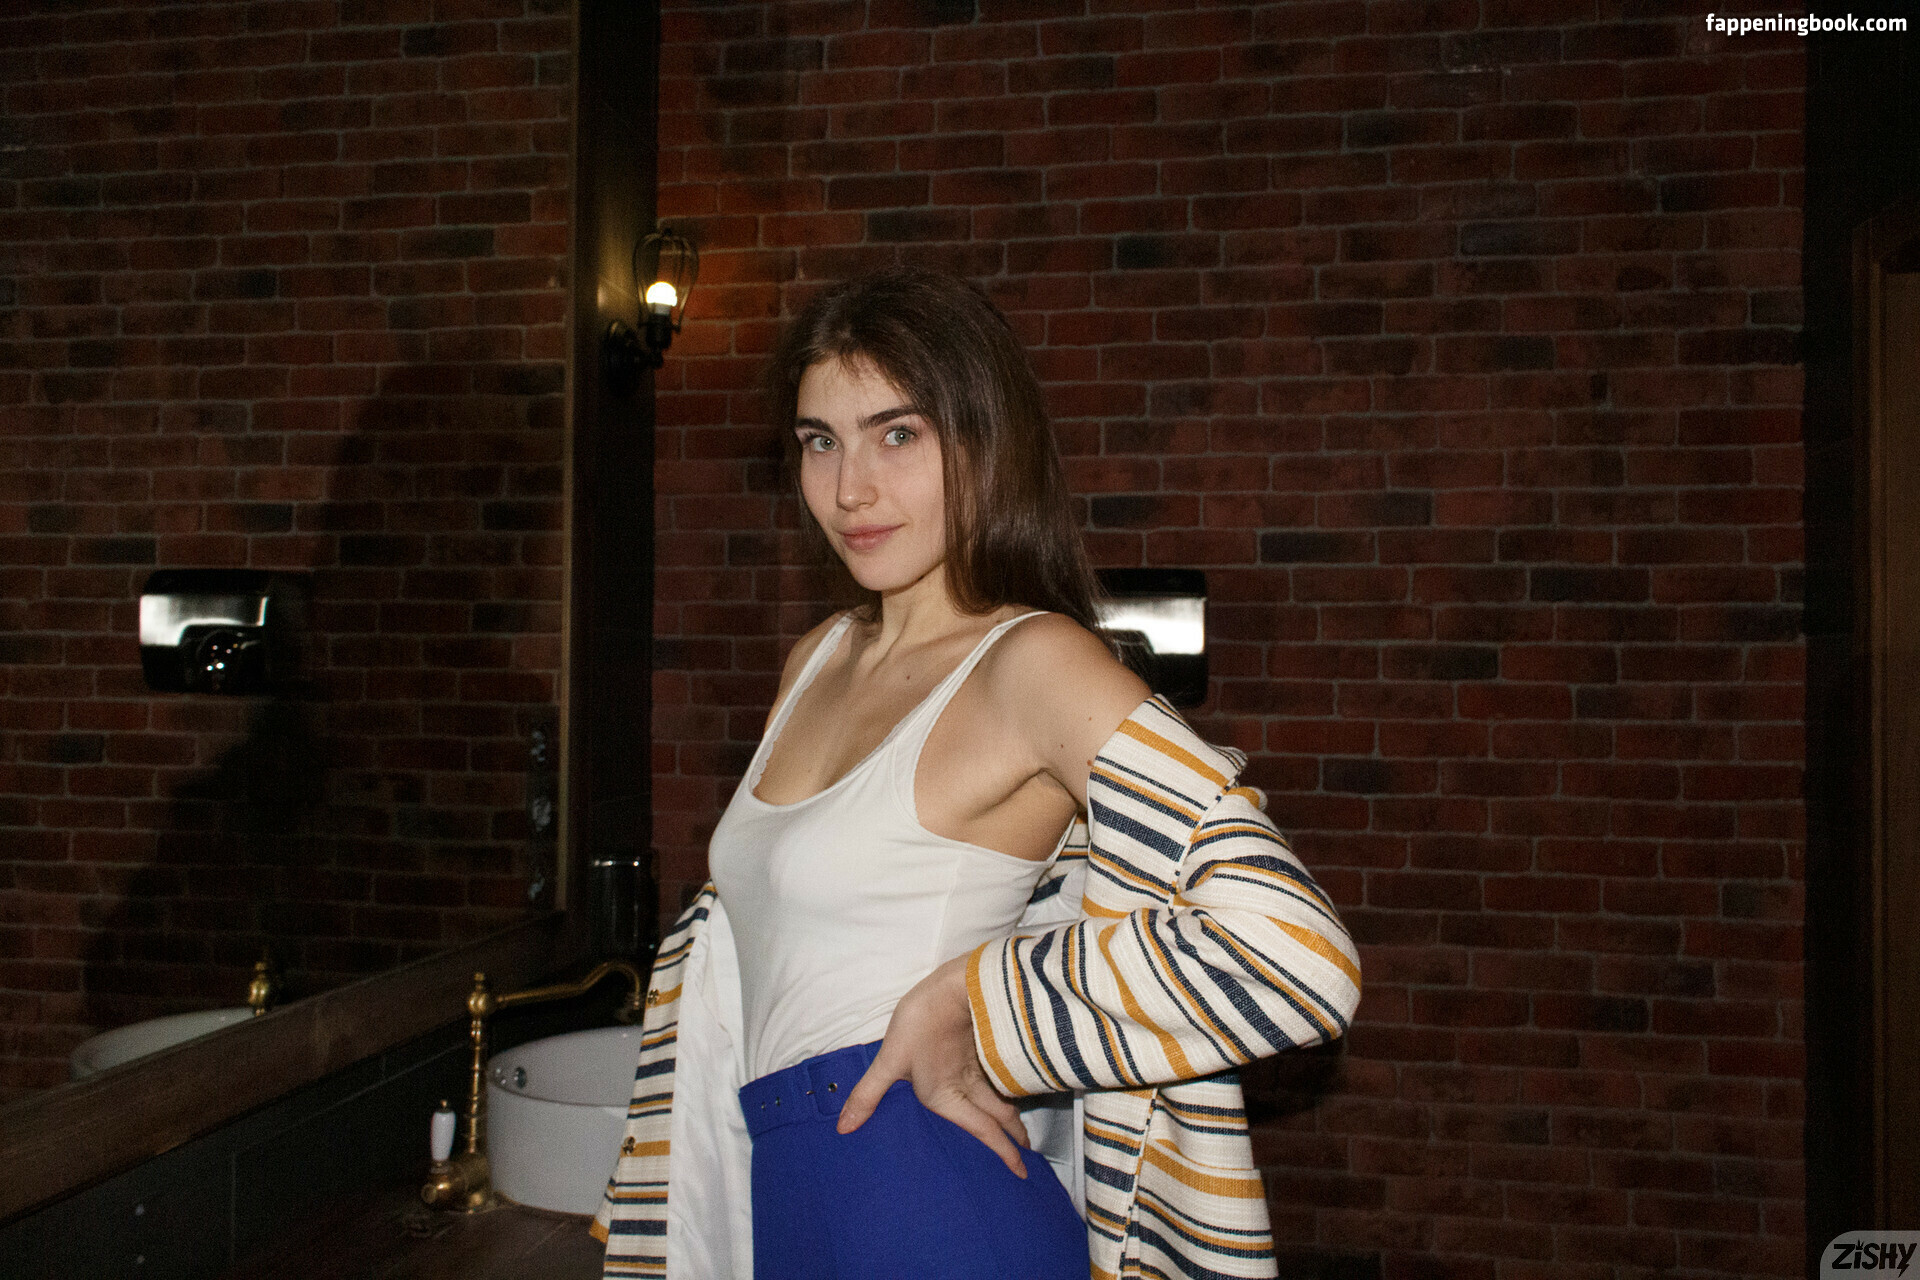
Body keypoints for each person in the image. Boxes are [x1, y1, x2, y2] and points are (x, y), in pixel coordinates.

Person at [594, 270, 1362, 1280]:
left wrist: (976, 1000)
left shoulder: (1033, 663)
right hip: (792, 1189)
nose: (850, 487)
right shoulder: (817, 656)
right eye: (820, 441)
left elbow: (1296, 952)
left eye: (897, 434)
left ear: (985, 443)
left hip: (928, 1197)